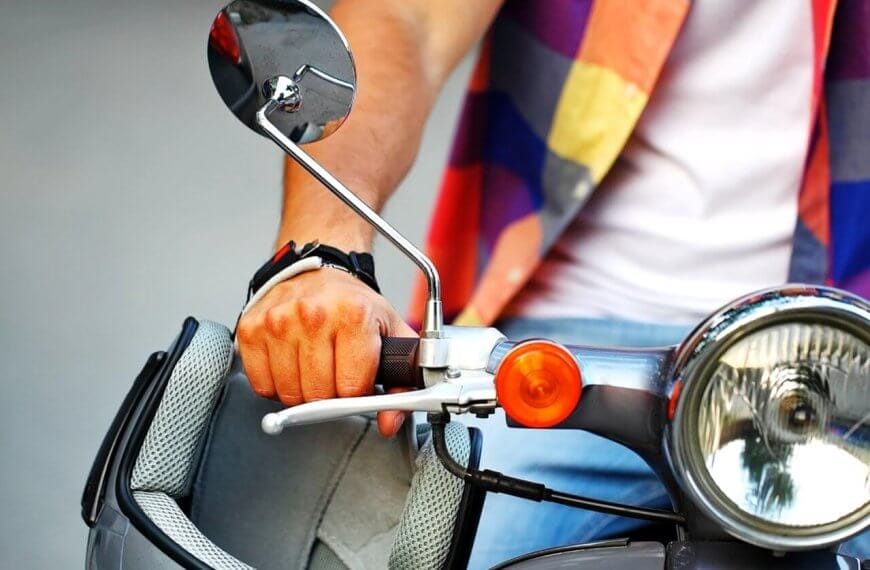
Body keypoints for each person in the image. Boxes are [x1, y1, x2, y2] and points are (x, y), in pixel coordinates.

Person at [235, 0, 869, 566]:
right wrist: (323, 253)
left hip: (849, 363)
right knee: (430, 550)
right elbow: (409, 18)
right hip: (565, 347)